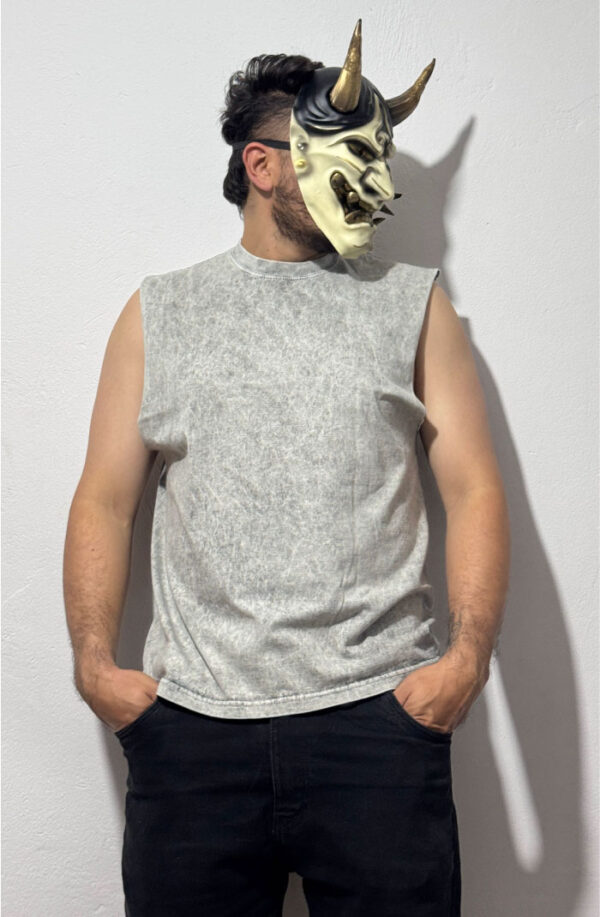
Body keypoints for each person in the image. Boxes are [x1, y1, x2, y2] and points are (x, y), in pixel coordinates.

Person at [63, 19, 510, 916]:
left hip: (378, 723)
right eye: (348, 154)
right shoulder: (161, 313)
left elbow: (473, 490)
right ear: (263, 166)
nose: (374, 182)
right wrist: (95, 666)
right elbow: (105, 501)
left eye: (379, 155)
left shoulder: (416, 305)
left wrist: (466, 660)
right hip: (194, 735)